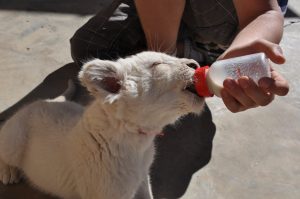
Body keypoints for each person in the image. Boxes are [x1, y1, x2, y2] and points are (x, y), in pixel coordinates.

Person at [0, 0, 289, 198]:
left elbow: (264, 11)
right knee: (89, 46)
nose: (187, 65)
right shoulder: (101, 148)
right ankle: (186, 45)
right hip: (168, 17)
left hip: (228, 11)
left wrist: (239, 51)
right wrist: (158, 69)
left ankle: (208, 46)